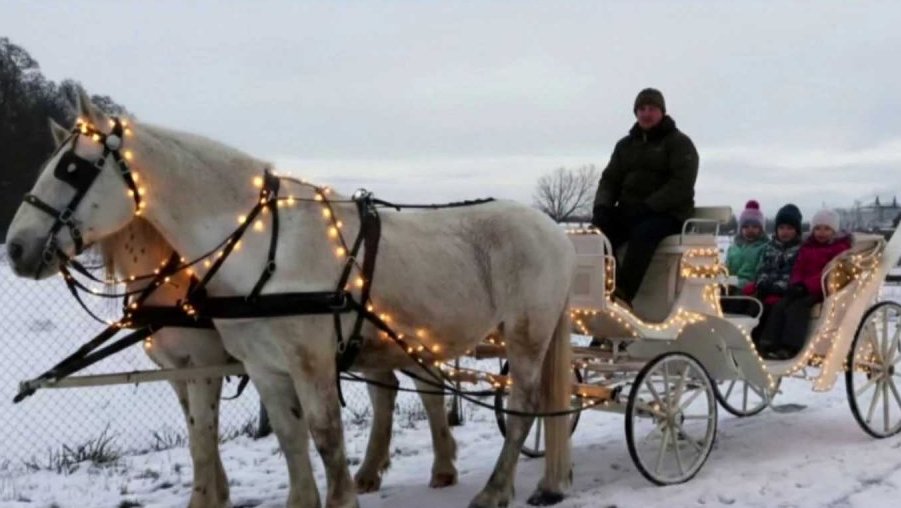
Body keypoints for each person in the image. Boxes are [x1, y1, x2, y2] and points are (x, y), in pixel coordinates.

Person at [591, 88, 699, 305]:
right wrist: (602, 206)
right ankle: (602, 286)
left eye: (651, 108)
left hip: (668, 214)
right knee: (597, 234)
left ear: (662, 112)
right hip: (631, 211)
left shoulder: (679, 143)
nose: (646, 114)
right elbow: (610, 179)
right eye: (641, 109)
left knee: (644, 233)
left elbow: (682, 184)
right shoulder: (625, 146)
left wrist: (649, 206)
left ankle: (623, 293)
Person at [759, 208, 851, 359]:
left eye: (827, 229)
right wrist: (795, 284)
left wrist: (806, 286)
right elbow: (798, 268)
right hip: (801, 288)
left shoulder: (839, 249)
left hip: (821, 289)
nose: (821, 233)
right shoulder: (807, 247)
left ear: (834, 231)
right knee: (781, 304)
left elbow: (828, 273)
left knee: (798, 307)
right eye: (817, 229)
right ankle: (768, 342)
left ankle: (791, 346)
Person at [741, 204, 803, 343]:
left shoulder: (799, 250)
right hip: (767, 288)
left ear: (796, 231)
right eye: (781, 228)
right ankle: (746, 338)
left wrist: (778, 288)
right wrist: (762, 282)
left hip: (785, 291)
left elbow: (792, 273)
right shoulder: (770, 247)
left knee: (773, 309)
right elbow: (763, 268)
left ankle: (767, 341)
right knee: (754, 305)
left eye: (789, 228)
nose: (784, 232)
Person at [725, 200, 768, 290]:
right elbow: (726, 268)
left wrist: (739, 284)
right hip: (728, 287)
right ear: (740, 229)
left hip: (749, 292)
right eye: (746, 227)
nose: (750, 230)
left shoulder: (764, 248)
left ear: (761, 229)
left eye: (755, 227)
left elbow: (760, 274)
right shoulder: (733, 248)